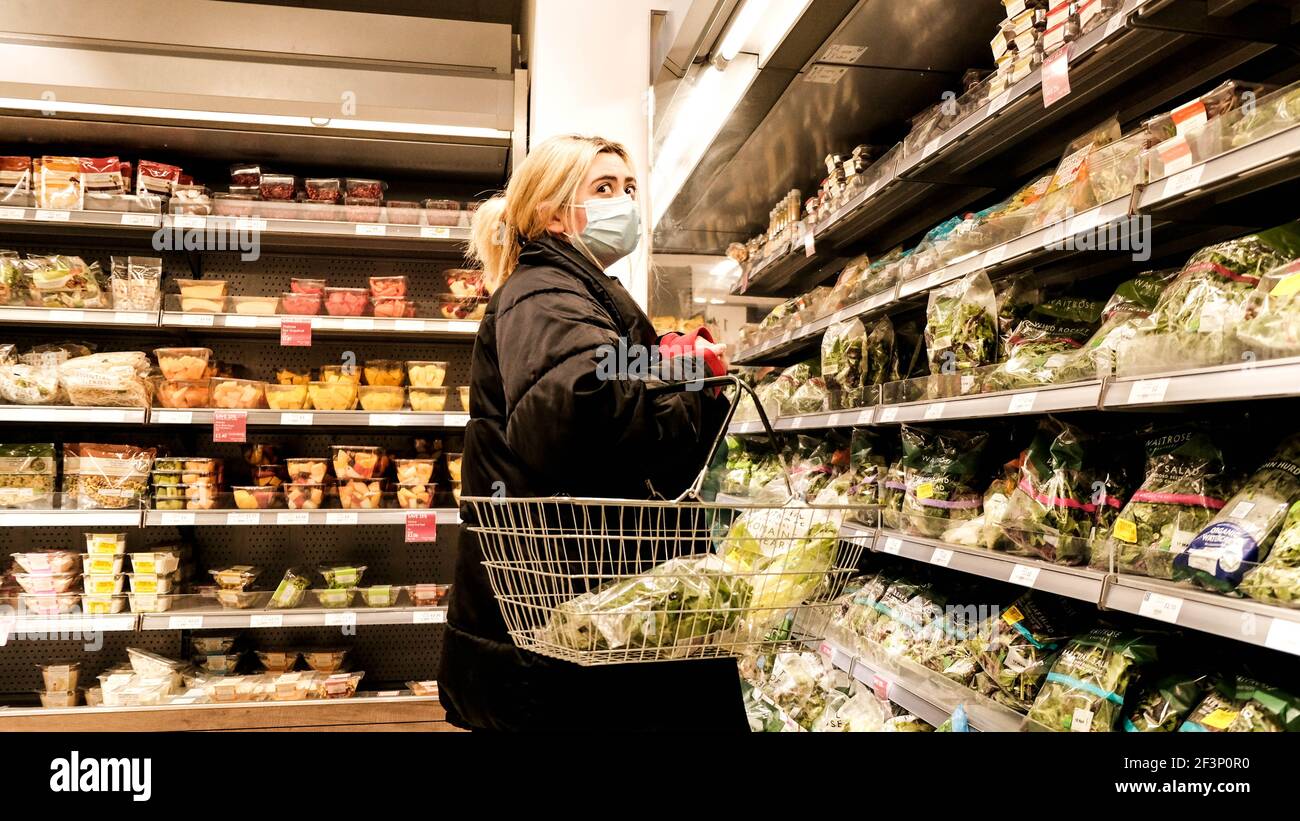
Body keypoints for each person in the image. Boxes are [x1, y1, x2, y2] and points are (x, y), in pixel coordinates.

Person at [437, 134, 748, 732]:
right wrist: (684, 381)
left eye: (629, 189)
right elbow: (575, 416)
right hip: (562, 627)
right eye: (602, 188)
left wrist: (673, 369)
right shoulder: (547, 291)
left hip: (572, 614)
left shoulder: (575, 290)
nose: (624, 203)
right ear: (553, 213)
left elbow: (601, 395)